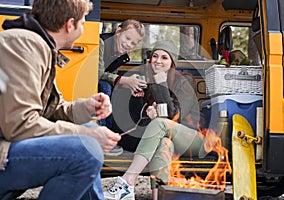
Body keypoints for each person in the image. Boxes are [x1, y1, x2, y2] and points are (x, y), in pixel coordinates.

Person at [0, 0, 120, 199]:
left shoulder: (40, 44)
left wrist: (87, 107)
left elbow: (52, 109)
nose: (83, 29)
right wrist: (85, 135)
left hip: (10, 146)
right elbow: (20, 125)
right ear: (69, 24)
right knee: (84, 149)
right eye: (82, 23)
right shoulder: (23, 44)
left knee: (89, 135)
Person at [104, 40, 205, 200]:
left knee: (160, 125)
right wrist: (144, 109)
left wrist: (161, 84)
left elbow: (173, 118)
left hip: (193, 139)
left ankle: (127, 181)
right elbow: (143, 126)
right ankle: (158, 196)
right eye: (155, 56)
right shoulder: (148, 82)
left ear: (172, 63)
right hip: (168, 137)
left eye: (164, 57)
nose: (158, 61)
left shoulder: (184, 82)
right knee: (165, 145)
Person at [98, 19, 146, 156]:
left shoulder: (120, 54)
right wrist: (123, 80)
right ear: (118, 32)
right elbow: (98, 74)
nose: (128, 44)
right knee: (106, 88)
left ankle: (113, 136)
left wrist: (129, 86)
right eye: (127, 38)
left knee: (116, 92)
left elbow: (111, 74)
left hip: (102, 82)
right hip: (90, 81)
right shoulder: (101, 43)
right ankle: (102, 138)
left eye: (133, 43)